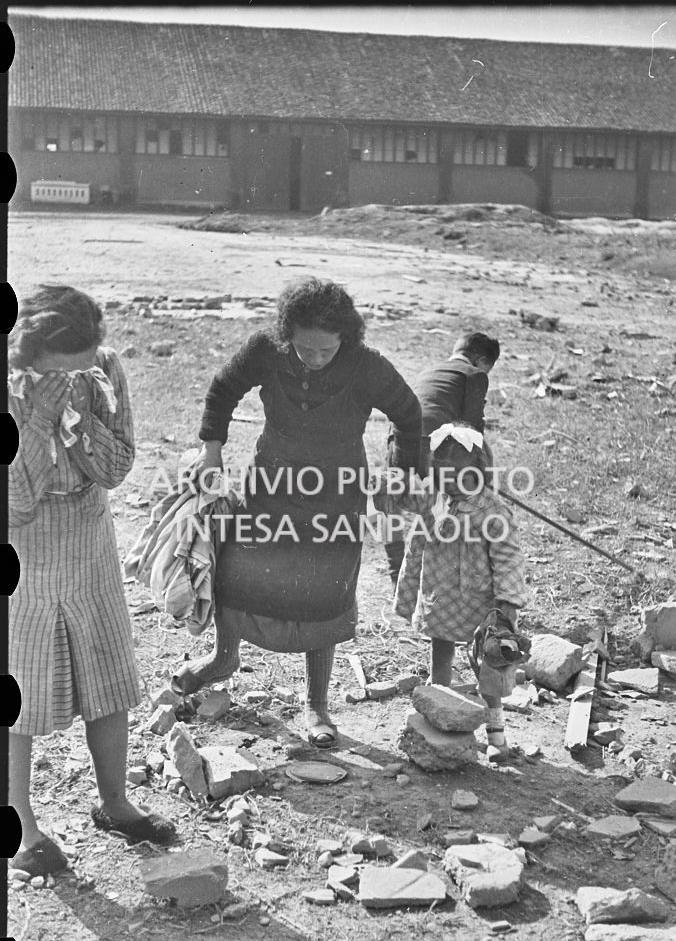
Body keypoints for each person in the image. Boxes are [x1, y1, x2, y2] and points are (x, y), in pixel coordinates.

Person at [173, 277, 422, 747]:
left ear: (345, 339)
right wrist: (212, 452)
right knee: (238, 568)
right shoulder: (266, 349)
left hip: (337, 491)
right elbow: (223, 390)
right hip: (271, 478)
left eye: (325, 351)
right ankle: (222, 659)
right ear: (287, 336)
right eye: (304, 349)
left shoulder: (367, 367)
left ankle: (317, 705)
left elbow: (408, 414)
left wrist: (404, 472)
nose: (314, 358)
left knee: (322, 590)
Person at [7, 285, 176, 877]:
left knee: (107, 669)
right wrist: (41, 418)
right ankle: (23, 826)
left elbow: (118, 465)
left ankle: (116, 802)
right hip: (23, 548)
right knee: (19, 686)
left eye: (84, 367)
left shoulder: (102, 368)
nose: (77, 378)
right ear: (28, 353)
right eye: (62, 371)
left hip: (88, 532)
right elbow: (13, 501)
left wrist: (77, 429)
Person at [374, 421, 526, 761]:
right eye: (440, 473)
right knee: (440, 654)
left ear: (477, 469)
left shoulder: (493, 510)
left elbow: (508, 558)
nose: (447, 481)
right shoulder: (435, 496)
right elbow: (401, 496)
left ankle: (496, 734)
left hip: (479, 600)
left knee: (487, 664)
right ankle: (438, 713)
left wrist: (507, 605)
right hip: (441, 595)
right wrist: (387, 481)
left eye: (456, 474)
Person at [384, 331, 500, 586]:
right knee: (442, 507)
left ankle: (396, 574)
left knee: (390, 504)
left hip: (399, 440)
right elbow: (471, 431)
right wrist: (483, 479)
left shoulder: (430, 371)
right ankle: (437, 575)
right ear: (481, 361)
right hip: (432, 446)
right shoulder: (474, 374)